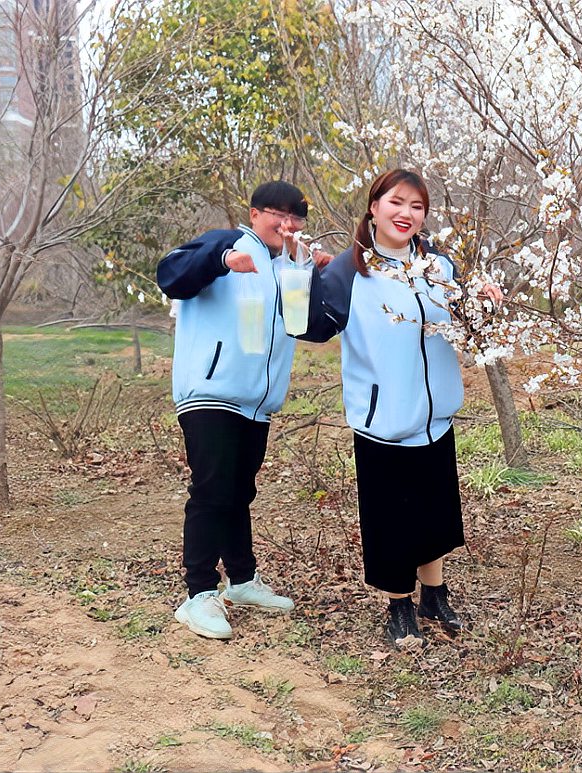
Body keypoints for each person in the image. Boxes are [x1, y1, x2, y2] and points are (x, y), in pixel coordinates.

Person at [302, 169, 502, 647]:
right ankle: (398, 607)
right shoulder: (348, 270)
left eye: (416, 206)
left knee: (435, 513)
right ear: (374, 207)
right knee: (393, 520)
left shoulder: (438, 266)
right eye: (396, 202)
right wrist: (301, 282)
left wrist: (486, 303)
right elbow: (313, 330)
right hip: (384, 418)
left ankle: (434, 595)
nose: (405, 214)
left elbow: (467, 325)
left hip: (435, 415)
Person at [157, 181, 332, 640]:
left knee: (239, 493)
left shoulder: (286, 269)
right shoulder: (224, 243)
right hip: (211, 392)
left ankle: (242, 580)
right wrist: (222, 262)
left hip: (256, 404)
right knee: (213, 491)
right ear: (255, 214)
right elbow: (170, 274)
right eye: (278, 214)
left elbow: (309, 329)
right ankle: (198, 595)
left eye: (296, 219)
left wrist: (316, 276)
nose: (287, 225)